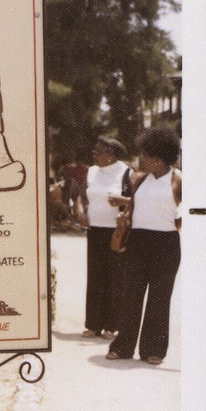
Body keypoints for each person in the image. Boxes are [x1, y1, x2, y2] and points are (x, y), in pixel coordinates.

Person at [106, 127, 182, 365]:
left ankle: (154, 349)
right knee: (131, 295)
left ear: (158, 159)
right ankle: (123, 346)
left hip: (166, 244)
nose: (141, 159)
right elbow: (136, 205)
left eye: (146, 155)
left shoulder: (179, 180)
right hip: (138, 242)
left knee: (159, 298)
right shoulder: (138, 179)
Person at [75, 136, 132, 339]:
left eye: (98, 151)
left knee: (115, 278)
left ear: (111, 155)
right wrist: (81, 213)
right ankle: (93, 324)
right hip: (95, 230)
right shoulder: (91, 171)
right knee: (95, 276)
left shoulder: (126, 172)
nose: (94, 154)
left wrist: (123, 205)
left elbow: (135, 201)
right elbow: (81, 196)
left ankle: (112, 326)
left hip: (117, 232)